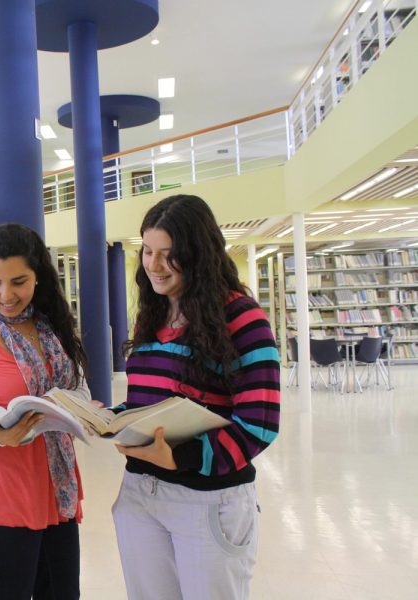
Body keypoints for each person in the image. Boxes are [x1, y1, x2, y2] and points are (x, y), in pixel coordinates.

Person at [112, 194, 280, 600]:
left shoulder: (242, 318)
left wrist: (180, 457)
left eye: (168, 255)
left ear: (198, 255)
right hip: (140, 494)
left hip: (206, 500)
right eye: (147, 251)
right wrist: (112, 419)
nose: (152, 266)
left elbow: (260, 423)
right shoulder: (153, 314)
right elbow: (151, 402)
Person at [0, 223, 92, 600]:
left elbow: (80, 388)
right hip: (7, 492)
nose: (6, 295)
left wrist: (80, 409)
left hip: (59, 489)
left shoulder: (49, 325)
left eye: (19, 281)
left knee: (62, 593)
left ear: (38, 276)